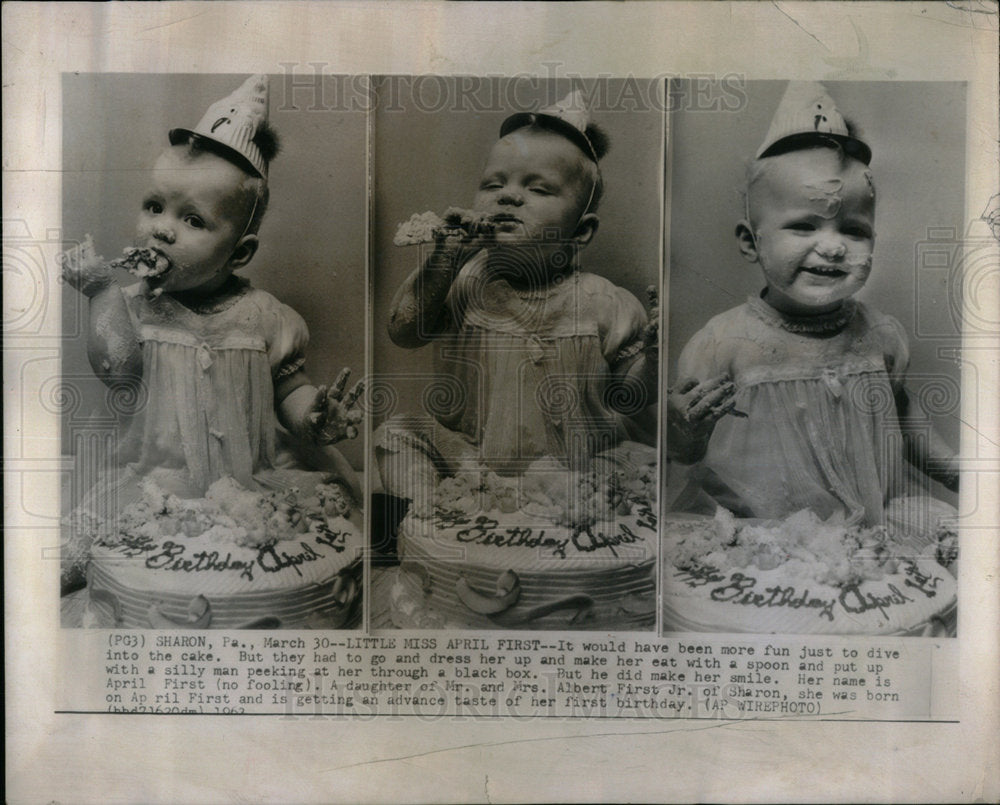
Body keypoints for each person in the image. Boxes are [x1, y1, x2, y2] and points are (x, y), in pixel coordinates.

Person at [61, 75, 362, 586]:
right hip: (155, 478)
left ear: (239, 252)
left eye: (193, 220)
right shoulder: (133, 307)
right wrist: (100, 294)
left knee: (282, 558)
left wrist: (313, 417)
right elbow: (119, 373)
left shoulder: (266, 317)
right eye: (154, 206)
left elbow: (286, 389)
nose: (161, 228)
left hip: (256, 477)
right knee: (95, 551)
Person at [667, 82, 958, 530]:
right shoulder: (723, 344)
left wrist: (967, 475)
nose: (834, 248)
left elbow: (910, 430)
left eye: (854, 231)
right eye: (803, 226)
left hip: (869, 528)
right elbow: (685, 454)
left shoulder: (881, 336)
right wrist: (685, 433)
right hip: (763, 533)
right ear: (751, 241)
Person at [376, 91, 658, 513]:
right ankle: (434, 514)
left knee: (641, 466)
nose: (508, 197)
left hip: (576, 465)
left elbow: (628, 397)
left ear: (580, 233)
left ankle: (557, 509)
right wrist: (443, 260)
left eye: (538, 188)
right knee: (395, 435)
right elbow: (403, 331)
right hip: (473, 462)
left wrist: (652, 357)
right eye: (494, 184)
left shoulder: (603, 303)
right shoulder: (462, 279)